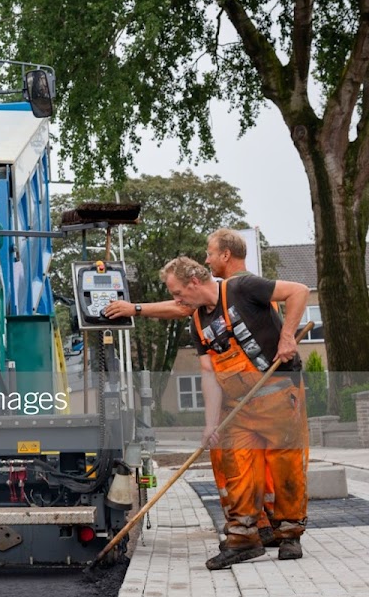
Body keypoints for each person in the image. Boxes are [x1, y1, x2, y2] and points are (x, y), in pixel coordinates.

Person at [104, 229, 281, 547]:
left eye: (210, 253)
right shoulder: (237, 292)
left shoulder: (239, 291)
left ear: (226, 255)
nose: (206, 258)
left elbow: (185, 308)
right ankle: (258, 525)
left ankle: (260, 525)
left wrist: (135, 309)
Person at [160, 255, 309, 569]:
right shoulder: (198, 321)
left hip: (278, 394)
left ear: (195, 282)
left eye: (178, 293)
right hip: (238, 407)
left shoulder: (243, 287)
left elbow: (299, 291)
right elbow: (209, 374)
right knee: (237, 468)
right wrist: (211, 423)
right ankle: (243, 540)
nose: (177, 300)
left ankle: (290, 534)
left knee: (286, 467)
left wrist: (286, 338)